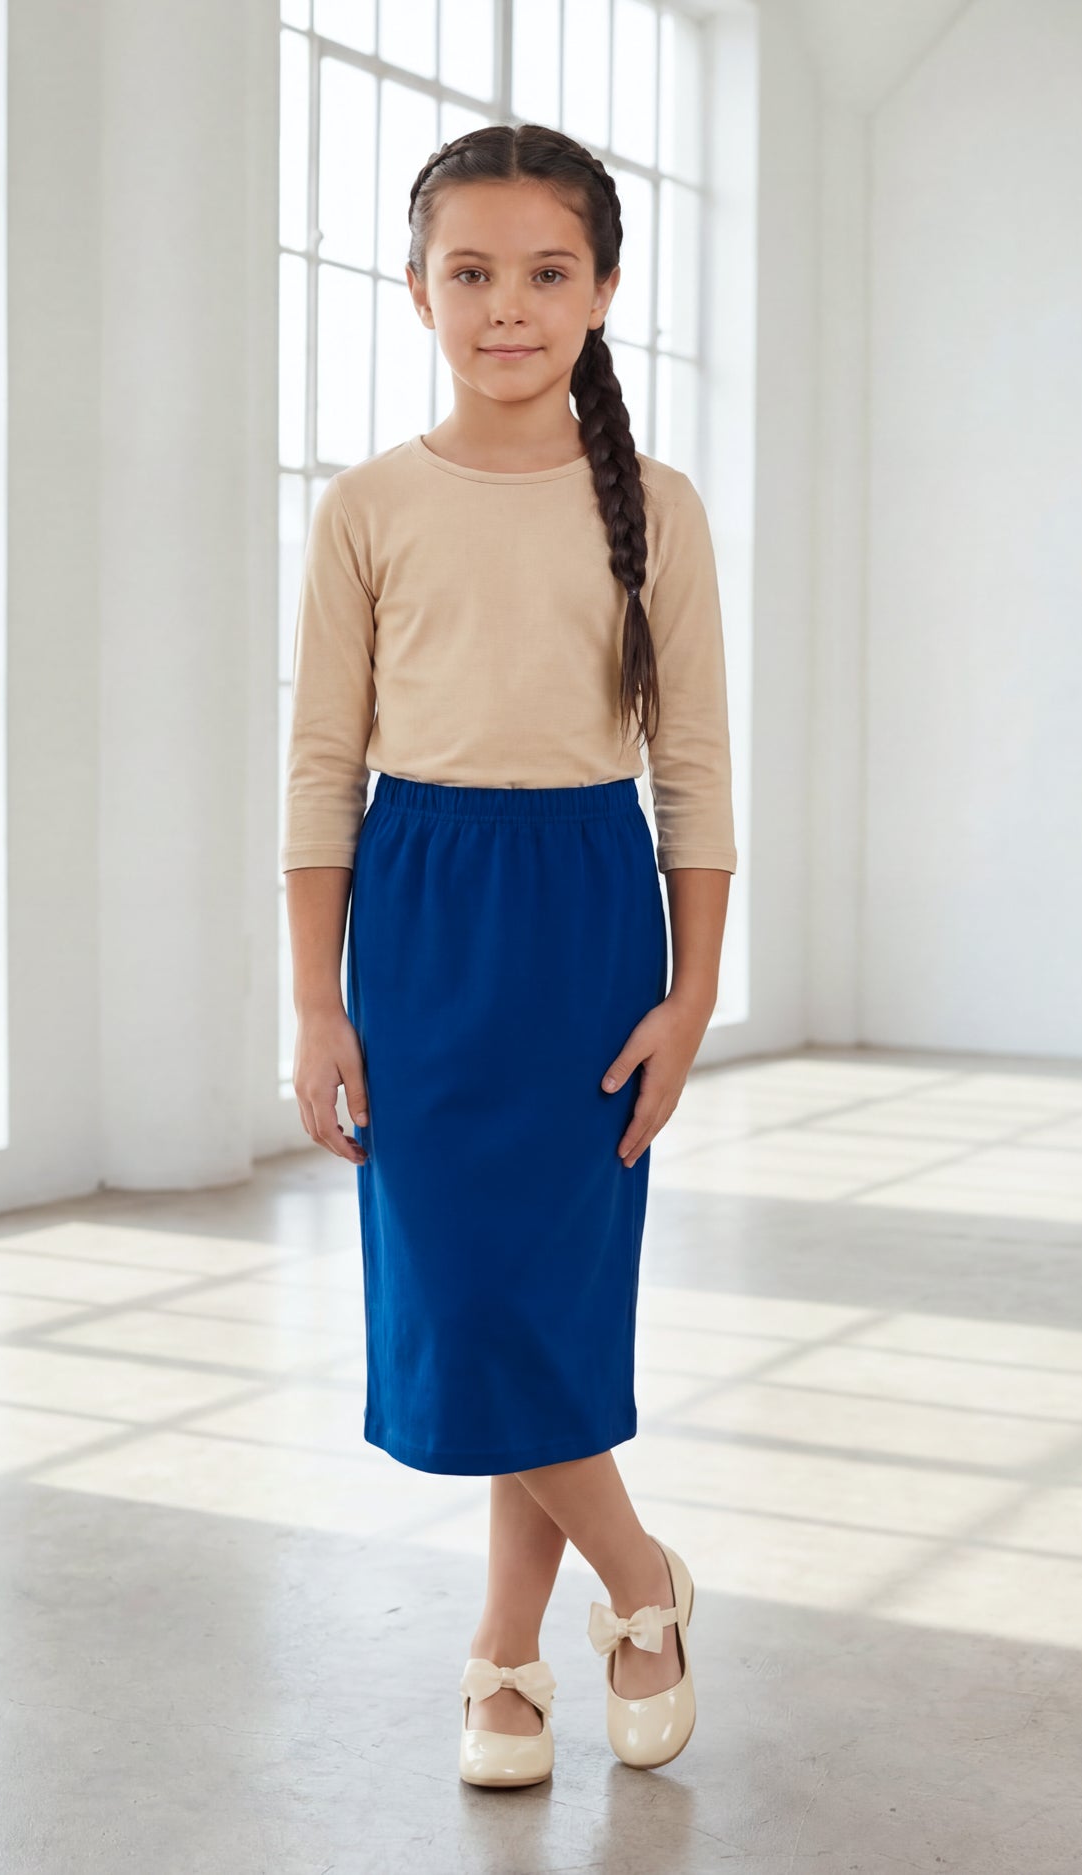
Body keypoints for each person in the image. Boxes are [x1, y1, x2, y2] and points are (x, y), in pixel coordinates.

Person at [281, 123, 737, 1788]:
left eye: (547, 273)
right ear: (415, 291)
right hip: (418, 911)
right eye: (468, 273)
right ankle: (636, 1581)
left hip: (586, 915)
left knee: (533, 1297)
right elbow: (320, 765)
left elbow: (693, 767)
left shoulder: (657, 510)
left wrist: (692, 994)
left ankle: (501, 1661)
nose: (506, 307)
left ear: (602, 291)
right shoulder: (368, 507)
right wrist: (317, 1000)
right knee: (465, 1291)